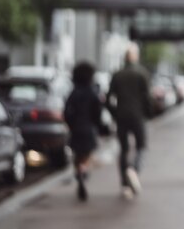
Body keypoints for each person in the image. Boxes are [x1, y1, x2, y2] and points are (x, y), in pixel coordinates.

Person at [106, 43, 152, 200]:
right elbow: (147, 98)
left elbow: (109, 97)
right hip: (137, 116)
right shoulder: (142, 74)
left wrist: (114, 113)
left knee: (124, 149)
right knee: (141, 146)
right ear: (136, 57)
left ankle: (125, 185)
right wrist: (148, 114)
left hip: (121, 116)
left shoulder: (117, 74)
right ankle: (134, 169)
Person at [64, 61, 103, 201]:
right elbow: (97, 112)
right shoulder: (92, 93)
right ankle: (83, 170)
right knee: (87, 155)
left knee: (77, 155)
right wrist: (97, 125)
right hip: (88, 129)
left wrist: (71, 124)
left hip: (76, 129)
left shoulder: (73, 93)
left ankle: (79, 172)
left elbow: (66, 112)